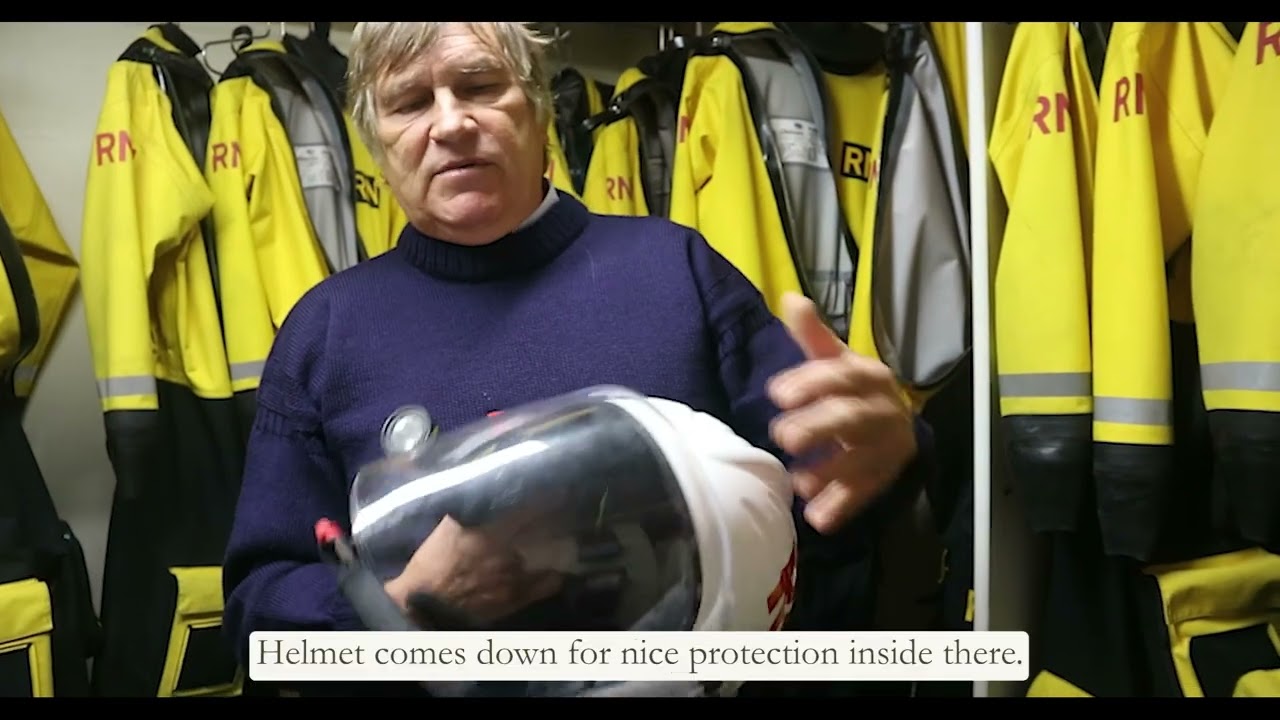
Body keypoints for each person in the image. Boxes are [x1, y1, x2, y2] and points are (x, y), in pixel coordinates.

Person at [221, 21, 935, 697]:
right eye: (410, 102)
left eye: (479, 86)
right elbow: (260, 618)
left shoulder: (677, 271)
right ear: (376, 143)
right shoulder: (324, 333)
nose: (450, 123)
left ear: (539, 106)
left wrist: (890, 453)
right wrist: (399, 608)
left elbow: (828, 501)